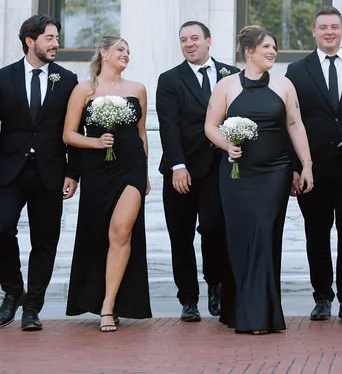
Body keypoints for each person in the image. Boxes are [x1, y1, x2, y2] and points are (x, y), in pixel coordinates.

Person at [205, 27, 315, 334]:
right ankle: (239, 309)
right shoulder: (226, 85)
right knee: (240, 239)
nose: (272, 51)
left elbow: (295, 125)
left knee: (265, 235)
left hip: (275, 172)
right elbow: (210, 126)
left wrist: (306, 165)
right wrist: (227, 145)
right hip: (236, 175)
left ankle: (259, 316)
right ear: (248, 51)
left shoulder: (285, 85)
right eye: (266, 46)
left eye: (274, 47)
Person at [284, 7, 342, 323]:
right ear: (314, 31)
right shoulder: (297, 70)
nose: (329, 32)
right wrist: (295, 167)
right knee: (315, 233)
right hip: (313, 168)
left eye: (334, 26)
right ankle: (322, 297)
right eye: (323, 27)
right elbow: (290, 121)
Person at [63, 36, 152, 331]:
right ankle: (97, 296)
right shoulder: (84, 90)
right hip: (97, 170)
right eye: (120, 50)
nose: (126, 54)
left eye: (128, 50)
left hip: (132, 169)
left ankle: (108, 306)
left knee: (122, 231)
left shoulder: (137, 89)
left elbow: (142, 134)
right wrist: (96, 142)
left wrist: (145, 172)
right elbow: (69, 135)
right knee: (100, 233)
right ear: (104, 53)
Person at [0, 15, 79, 330]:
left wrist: (73, 173)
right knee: (1, 227)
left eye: (57, 38)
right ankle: (12, 290)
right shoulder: (4, 78)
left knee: (45, 240)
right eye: (49, 38)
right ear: (29, 40)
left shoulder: (68, 79)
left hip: (51, 172)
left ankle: (32, 307)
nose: (56, 44)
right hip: (9, 171)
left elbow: (76, 128)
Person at [156, 21, 238, 321]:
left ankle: (214, 284)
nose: (189, 44)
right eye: (183, 40)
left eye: (194, 38)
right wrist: (178, 165)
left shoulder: (232, 75)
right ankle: (188, 299)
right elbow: (169, 125)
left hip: (219, 169)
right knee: (180, 235)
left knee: (214, 229)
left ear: (208, 41)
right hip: (182, 168)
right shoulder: (169, 79)